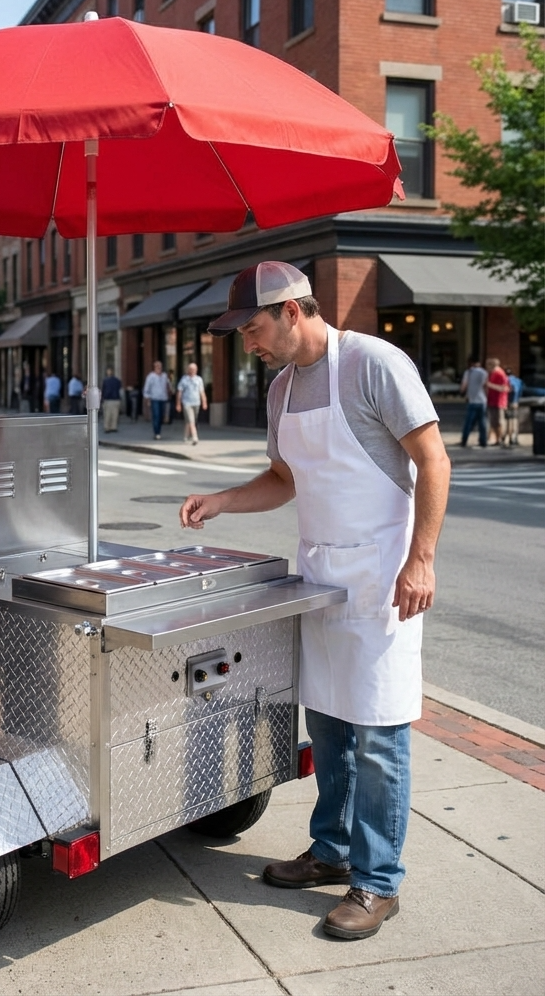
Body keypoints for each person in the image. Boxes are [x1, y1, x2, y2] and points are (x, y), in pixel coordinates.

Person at [179, 262, 450, 941]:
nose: (249, 342)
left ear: (293, 311)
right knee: (327, 721)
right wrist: (222, 501)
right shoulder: (279, 388)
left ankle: (378, 881)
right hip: (321, 575)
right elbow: (282, 478)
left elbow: (434, 460)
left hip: (384, 576)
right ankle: (330, 850)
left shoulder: (374, 364)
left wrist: (422, 560)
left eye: (253, 328)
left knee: (381, 734)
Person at [458, 356, 488, 448]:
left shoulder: (468, 372)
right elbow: (485, 385)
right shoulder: (484, 372)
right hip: (482, 400)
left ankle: (464, 440)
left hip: (472, 400)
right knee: (482, 422)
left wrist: (462, 392)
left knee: (468, 422)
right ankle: (483, 441)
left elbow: (464, 385)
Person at [176, 362, 207, 445]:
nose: (193, 371)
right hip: (187, 403)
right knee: (191, 420)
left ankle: (186, 436)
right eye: (191, 369)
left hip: (196, 402)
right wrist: (178, 403)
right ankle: (195, 437)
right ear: (188, 370)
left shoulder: (199, 379)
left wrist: (204, 402)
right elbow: (179, 392)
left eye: (194, 369)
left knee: (190, 420)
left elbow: (202, 391)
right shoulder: (184, 379)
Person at [143, 360, 171, 439]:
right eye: (157, 366)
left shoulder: (164, 375)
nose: (159, 368)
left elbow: (168, 385)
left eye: (160, 366)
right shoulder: (150, 376)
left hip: (163, 398)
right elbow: (146, 388)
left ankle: (159, 429)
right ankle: (157, 433)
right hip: (154, 398)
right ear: (154, 367)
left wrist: (169, 391)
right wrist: (147, 398)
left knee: (161, 416)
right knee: (156, 415)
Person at [485, 357, 509, 446]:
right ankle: (497, 439)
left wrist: (489, 385)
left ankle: (501, 439)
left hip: (499, 401)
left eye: (488, 365)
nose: (487, 367)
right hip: (492, 401)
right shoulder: (492, 374)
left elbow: (504, 388)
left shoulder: (500, 374)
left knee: (499, 421)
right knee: (493, 421)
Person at [504, 366, 523, 446]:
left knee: (507, 420)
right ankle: (515, 438)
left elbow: (512, 390)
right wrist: (517, 400)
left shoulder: (506, 380)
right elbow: (520, 391)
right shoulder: (518, 380)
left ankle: (506, 437)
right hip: (516, 402)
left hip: (508, 402)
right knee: (515, 420)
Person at [101, 367, 122, 432]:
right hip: (116, 399)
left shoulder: (105, 380)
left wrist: (103, 398)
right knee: (115, 414)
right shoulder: (117, 380)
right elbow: (119, 388)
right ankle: (114, 427)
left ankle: (107, 427)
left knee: (107, 414)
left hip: (108, 399)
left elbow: (104, 390)